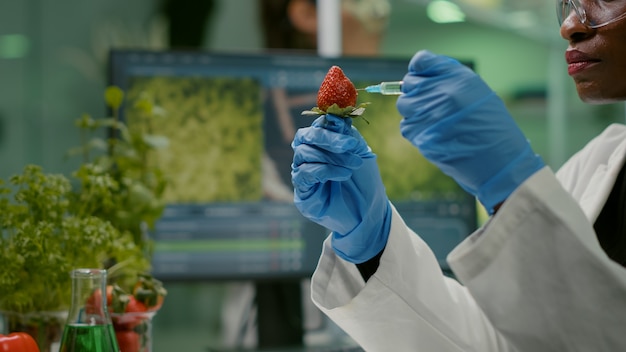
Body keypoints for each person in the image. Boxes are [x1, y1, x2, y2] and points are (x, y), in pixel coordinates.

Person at [290, 0, 626, 351]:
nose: (570, 25)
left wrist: (513, 191)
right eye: (567, 3)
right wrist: (369, 247)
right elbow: (499, 342)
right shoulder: (598, 163)